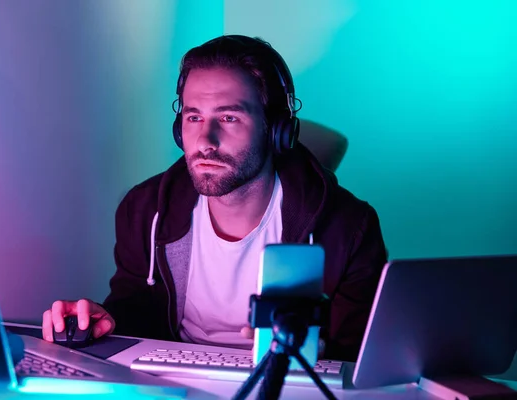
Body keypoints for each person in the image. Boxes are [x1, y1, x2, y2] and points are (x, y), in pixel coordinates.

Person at [42, 34, 387, 362]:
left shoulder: (349, 227)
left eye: (228, 117)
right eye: (194, 117)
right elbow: (136, 312)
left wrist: (308, 349)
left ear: (276, 129)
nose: (205, 140)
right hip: (177, 385)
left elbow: (357, 356)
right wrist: (106, 321)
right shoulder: (144, 210)